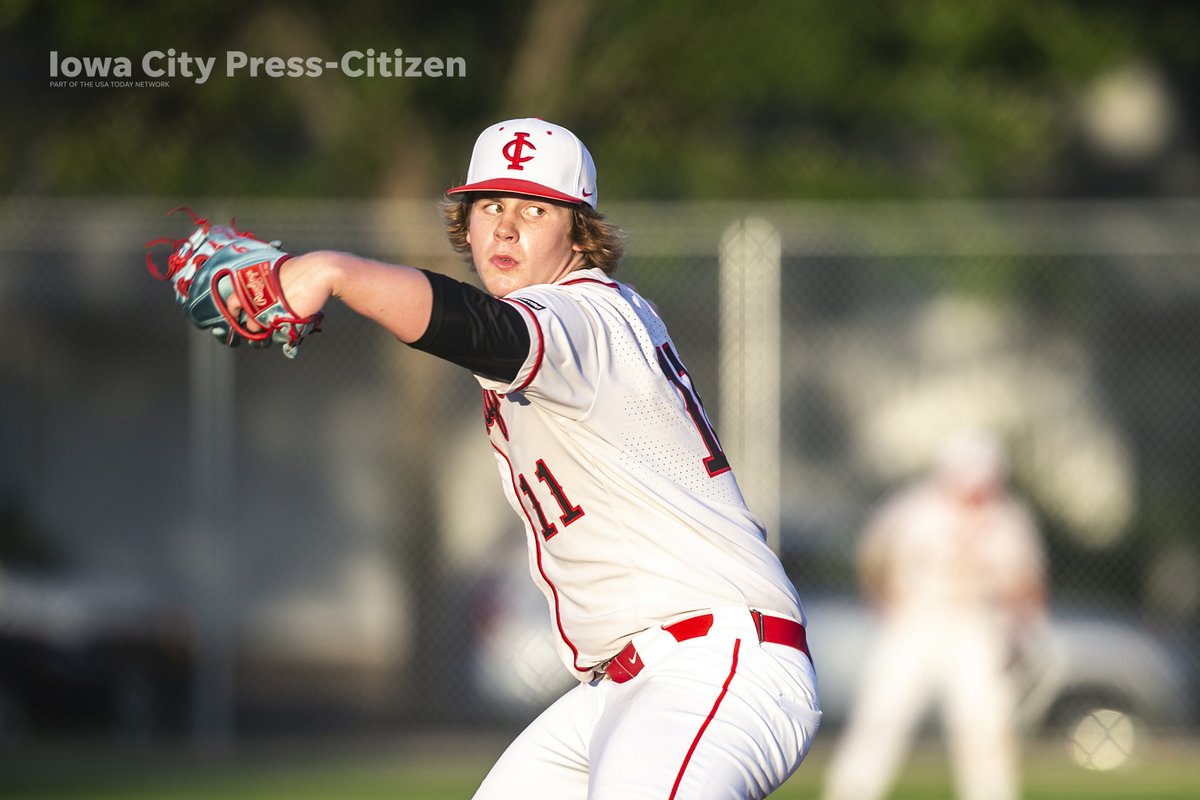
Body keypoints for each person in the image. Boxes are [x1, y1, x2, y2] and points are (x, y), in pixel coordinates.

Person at [228, 118, 820, 799]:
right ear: (466, 222)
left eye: (534, 210)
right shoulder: (581, 321)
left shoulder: (584, 315)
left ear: (579, 232)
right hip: (627, 685)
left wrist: (332, 270)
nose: (505, 229)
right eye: (491, 206)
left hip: (715, 667)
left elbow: (486, 330)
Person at [821, 431, 1047, 800]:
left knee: (984, 723)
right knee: (882, 713)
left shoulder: (1009, 517)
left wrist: (1025, 629)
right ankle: (850, 791)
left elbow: (1026, 578)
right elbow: (873, 554)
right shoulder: (913, 508)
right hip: (917, 619)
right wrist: (880, 596)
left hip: (977, 624)